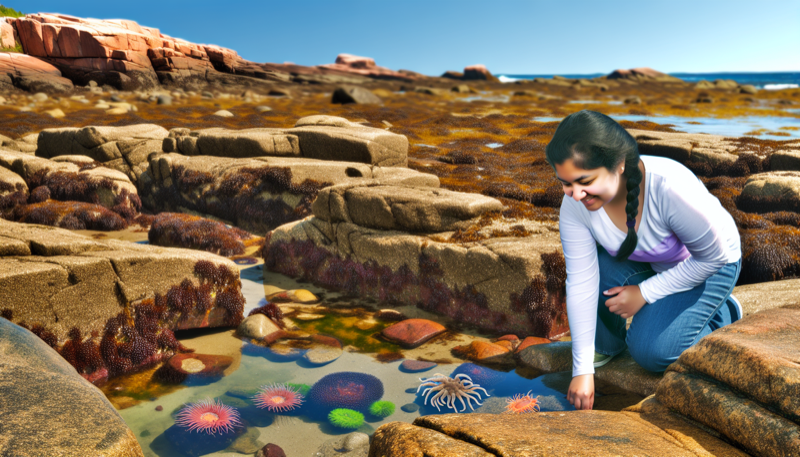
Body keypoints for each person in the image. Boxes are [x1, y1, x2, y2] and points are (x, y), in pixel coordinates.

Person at [544, 110, 742, 410]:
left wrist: (644, 294)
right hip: (648, 260)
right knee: (598, 315)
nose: (574, 194)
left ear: (619, 164)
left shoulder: (669, 188)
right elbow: (582, 279)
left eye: (584, 181)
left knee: (652, 352)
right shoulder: (575, 204)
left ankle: (723, 312)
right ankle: (609, 344)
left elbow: (713, 257)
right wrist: (582, 370)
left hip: (711, 263)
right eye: (566, 183)